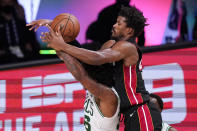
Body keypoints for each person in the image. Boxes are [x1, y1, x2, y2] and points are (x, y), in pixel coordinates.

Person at [32, 6, 162, 131]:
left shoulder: (127, 47)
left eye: (119, 23)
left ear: (129, 31)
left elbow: (96, 58)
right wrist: (57, 26)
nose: (114, 25)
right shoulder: (113, 44)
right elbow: (90, 63)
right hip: (129, 113)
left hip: (140, 110)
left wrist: (63, 46)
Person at [56, 51, 120, 131]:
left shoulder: (109, 96)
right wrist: (58, 47)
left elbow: (81, 76)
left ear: (94, 79)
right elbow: (78, 67)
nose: (84, 84)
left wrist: (62, 51)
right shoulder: (96, 91)